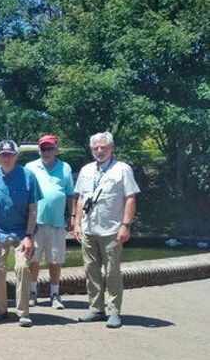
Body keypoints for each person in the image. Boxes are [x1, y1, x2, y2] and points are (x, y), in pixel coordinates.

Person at [73, 132, 139, 329]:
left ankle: (114, 311)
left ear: (111, 148)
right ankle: (96, 309)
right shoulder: (86, 170)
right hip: (89, 228)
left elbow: (130, 198)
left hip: (111, 229)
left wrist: (126, 225)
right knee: (91, 270)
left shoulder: (122, 169)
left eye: (103, 147)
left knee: (112, 272)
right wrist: (77, 223)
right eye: (95, 148)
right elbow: (81, 199)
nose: (99, 151)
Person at [0, 140, 42, 327]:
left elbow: (33, 210)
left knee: (22, 267)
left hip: (22, 232)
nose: (6, 158)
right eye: (3, 155)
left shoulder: (28, 176)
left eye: (10, 154)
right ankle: (0, 310)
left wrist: (29, 236)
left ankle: (23, 312)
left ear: (16, 156)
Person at [25, 135, 76, 310]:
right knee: (33, 259)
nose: (46, 151)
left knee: (56, 259)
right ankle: (32, 292)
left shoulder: (65, 168)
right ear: (39, 149)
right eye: (43, 148)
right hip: (35, 222)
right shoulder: (30, 167)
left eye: (50, 148)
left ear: (56, 149)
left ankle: (55, 293)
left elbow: (70, 194)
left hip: (57, 222)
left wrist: (73, 215)